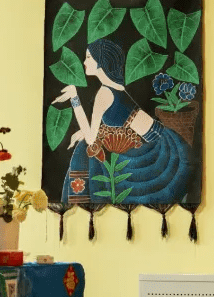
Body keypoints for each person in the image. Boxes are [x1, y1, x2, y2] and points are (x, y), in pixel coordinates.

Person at [55, 39, 193, 204]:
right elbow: (115, 123)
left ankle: (82, 201)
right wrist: (83, 132)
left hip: (156, 153)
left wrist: (74, 97)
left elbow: (92, 139)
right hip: (160, 140)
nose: (84, 62)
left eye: (89, 57)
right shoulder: (115, 86)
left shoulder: (104, 93)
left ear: (101, 62)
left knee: (86, 149)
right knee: (85, 146)